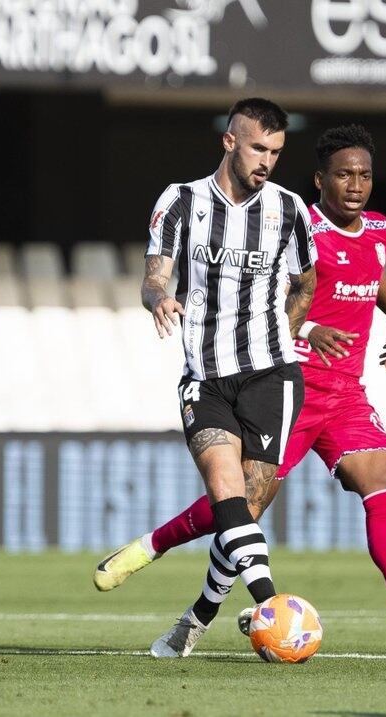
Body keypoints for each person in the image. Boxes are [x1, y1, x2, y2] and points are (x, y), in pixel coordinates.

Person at [95, 125, 386, 647]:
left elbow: (373, 270)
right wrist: (309, 328)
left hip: (345, 395)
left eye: (364, 175)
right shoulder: (295, 224)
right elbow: (264, 292)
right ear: (321, 180)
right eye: (344, 174)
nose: (356, 184)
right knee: (242, 509)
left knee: (384, 479)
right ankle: (157, 555)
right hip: (285, 385)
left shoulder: (381, 229)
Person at [132, 97, 317, 658]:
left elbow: (307, 282)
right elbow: (151, 278)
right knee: (225, 491)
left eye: (277, 152)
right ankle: (274, 607)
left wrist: (284, 334)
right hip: (205, 379)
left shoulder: (288, 211)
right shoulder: (181, 201)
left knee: (244, 515)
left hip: (271, 376)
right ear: (229, 141)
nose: (267, 160)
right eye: (258, 147)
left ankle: (201, 614)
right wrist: (160, 299)